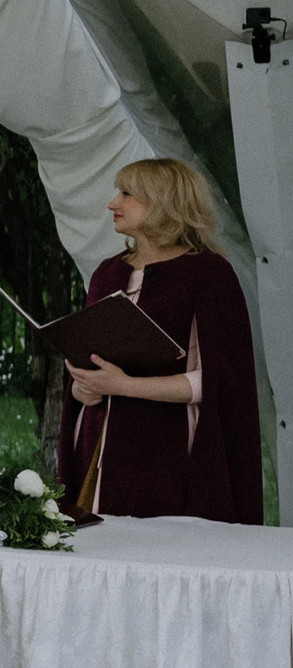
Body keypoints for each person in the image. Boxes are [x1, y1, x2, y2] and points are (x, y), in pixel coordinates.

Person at [59, 156, 261, 524]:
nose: (112, 203)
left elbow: (219, 381)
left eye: (126, 193)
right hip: (100, 452)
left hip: (170, 454)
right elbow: (89, 363)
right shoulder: (108, 273)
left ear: (163, 201)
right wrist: (82, 389)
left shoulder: (210, 274)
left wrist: (124, 385)